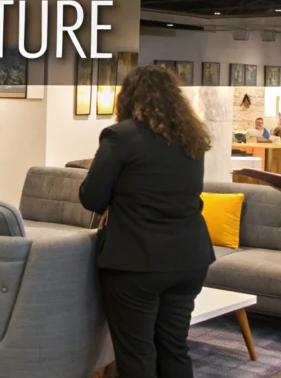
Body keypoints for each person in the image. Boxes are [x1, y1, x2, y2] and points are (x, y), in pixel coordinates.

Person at [79, 65, 215, 378]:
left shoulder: (120, 136)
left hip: (136, 260)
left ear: (128, 98)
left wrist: (116, 200)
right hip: (190, 258)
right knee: (174, 347)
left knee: (137, 354)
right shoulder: (191, 138)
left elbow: (91, 197)